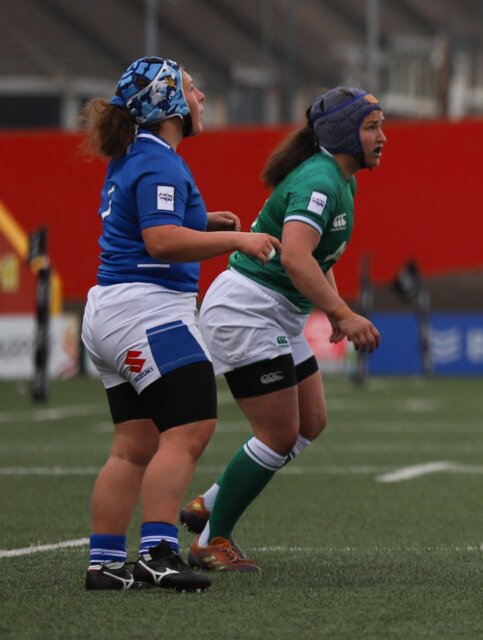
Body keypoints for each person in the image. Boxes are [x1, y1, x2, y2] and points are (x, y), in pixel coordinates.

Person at [78, 57, 278, 592]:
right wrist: (237, 240)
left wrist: (204, 222)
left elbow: (148, 224)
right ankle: (158, 551)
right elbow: (160, 240)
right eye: (192, 87)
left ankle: (104, 562)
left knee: (133, 446)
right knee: (190, 428)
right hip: (146, 310)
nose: (202, 97)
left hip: (111, 309)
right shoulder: (161, 161)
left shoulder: (135, 155)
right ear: (167, 100)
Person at [179, 87, 387, 572]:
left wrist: (333, 309)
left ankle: (208, 503)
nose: (384, 137)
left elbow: (312, 255)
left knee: (310, 424)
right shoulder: (320, 180)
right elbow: (293, 256)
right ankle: (212, 540)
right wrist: (343, 314)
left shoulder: (341, 178)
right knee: (278, 434)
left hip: (276, 312)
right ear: (341, 134)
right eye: (372, 127)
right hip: (246, 311)